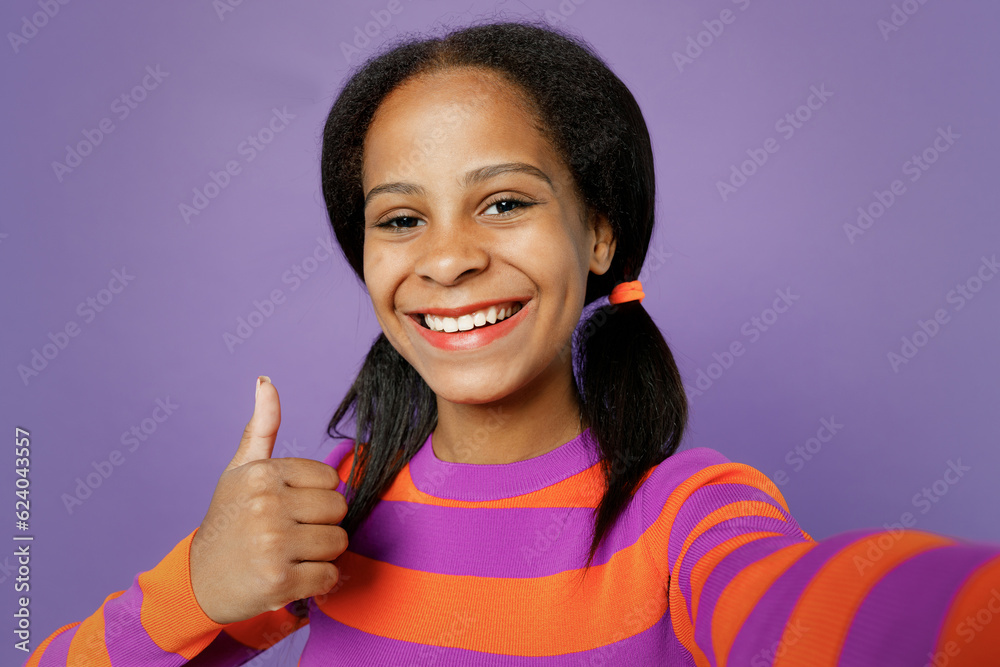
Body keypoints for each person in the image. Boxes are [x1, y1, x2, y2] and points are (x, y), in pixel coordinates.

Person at [23, 19, 1000, 667]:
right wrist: (198, 584)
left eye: (502, 202)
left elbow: (818, 609)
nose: (447, 259)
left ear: (600, 232)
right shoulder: (328, 510)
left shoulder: (684, 515)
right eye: (400, 219)